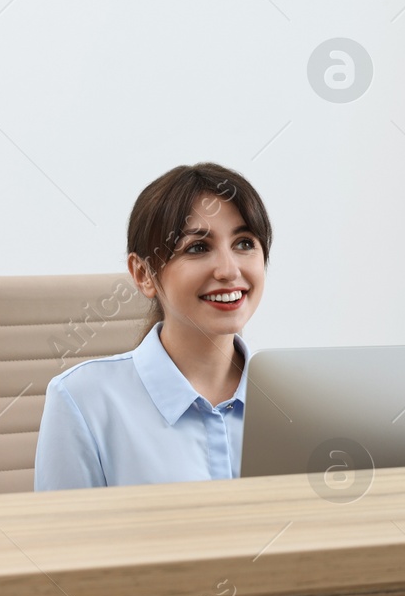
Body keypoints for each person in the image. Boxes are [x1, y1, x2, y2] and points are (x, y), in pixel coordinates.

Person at [34, 162, 271, 490]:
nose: (229, 271)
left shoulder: (295, 401)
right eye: (198, 247)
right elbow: (64, 541)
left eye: (244, 243)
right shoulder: (82, 400)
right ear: (144, 274)